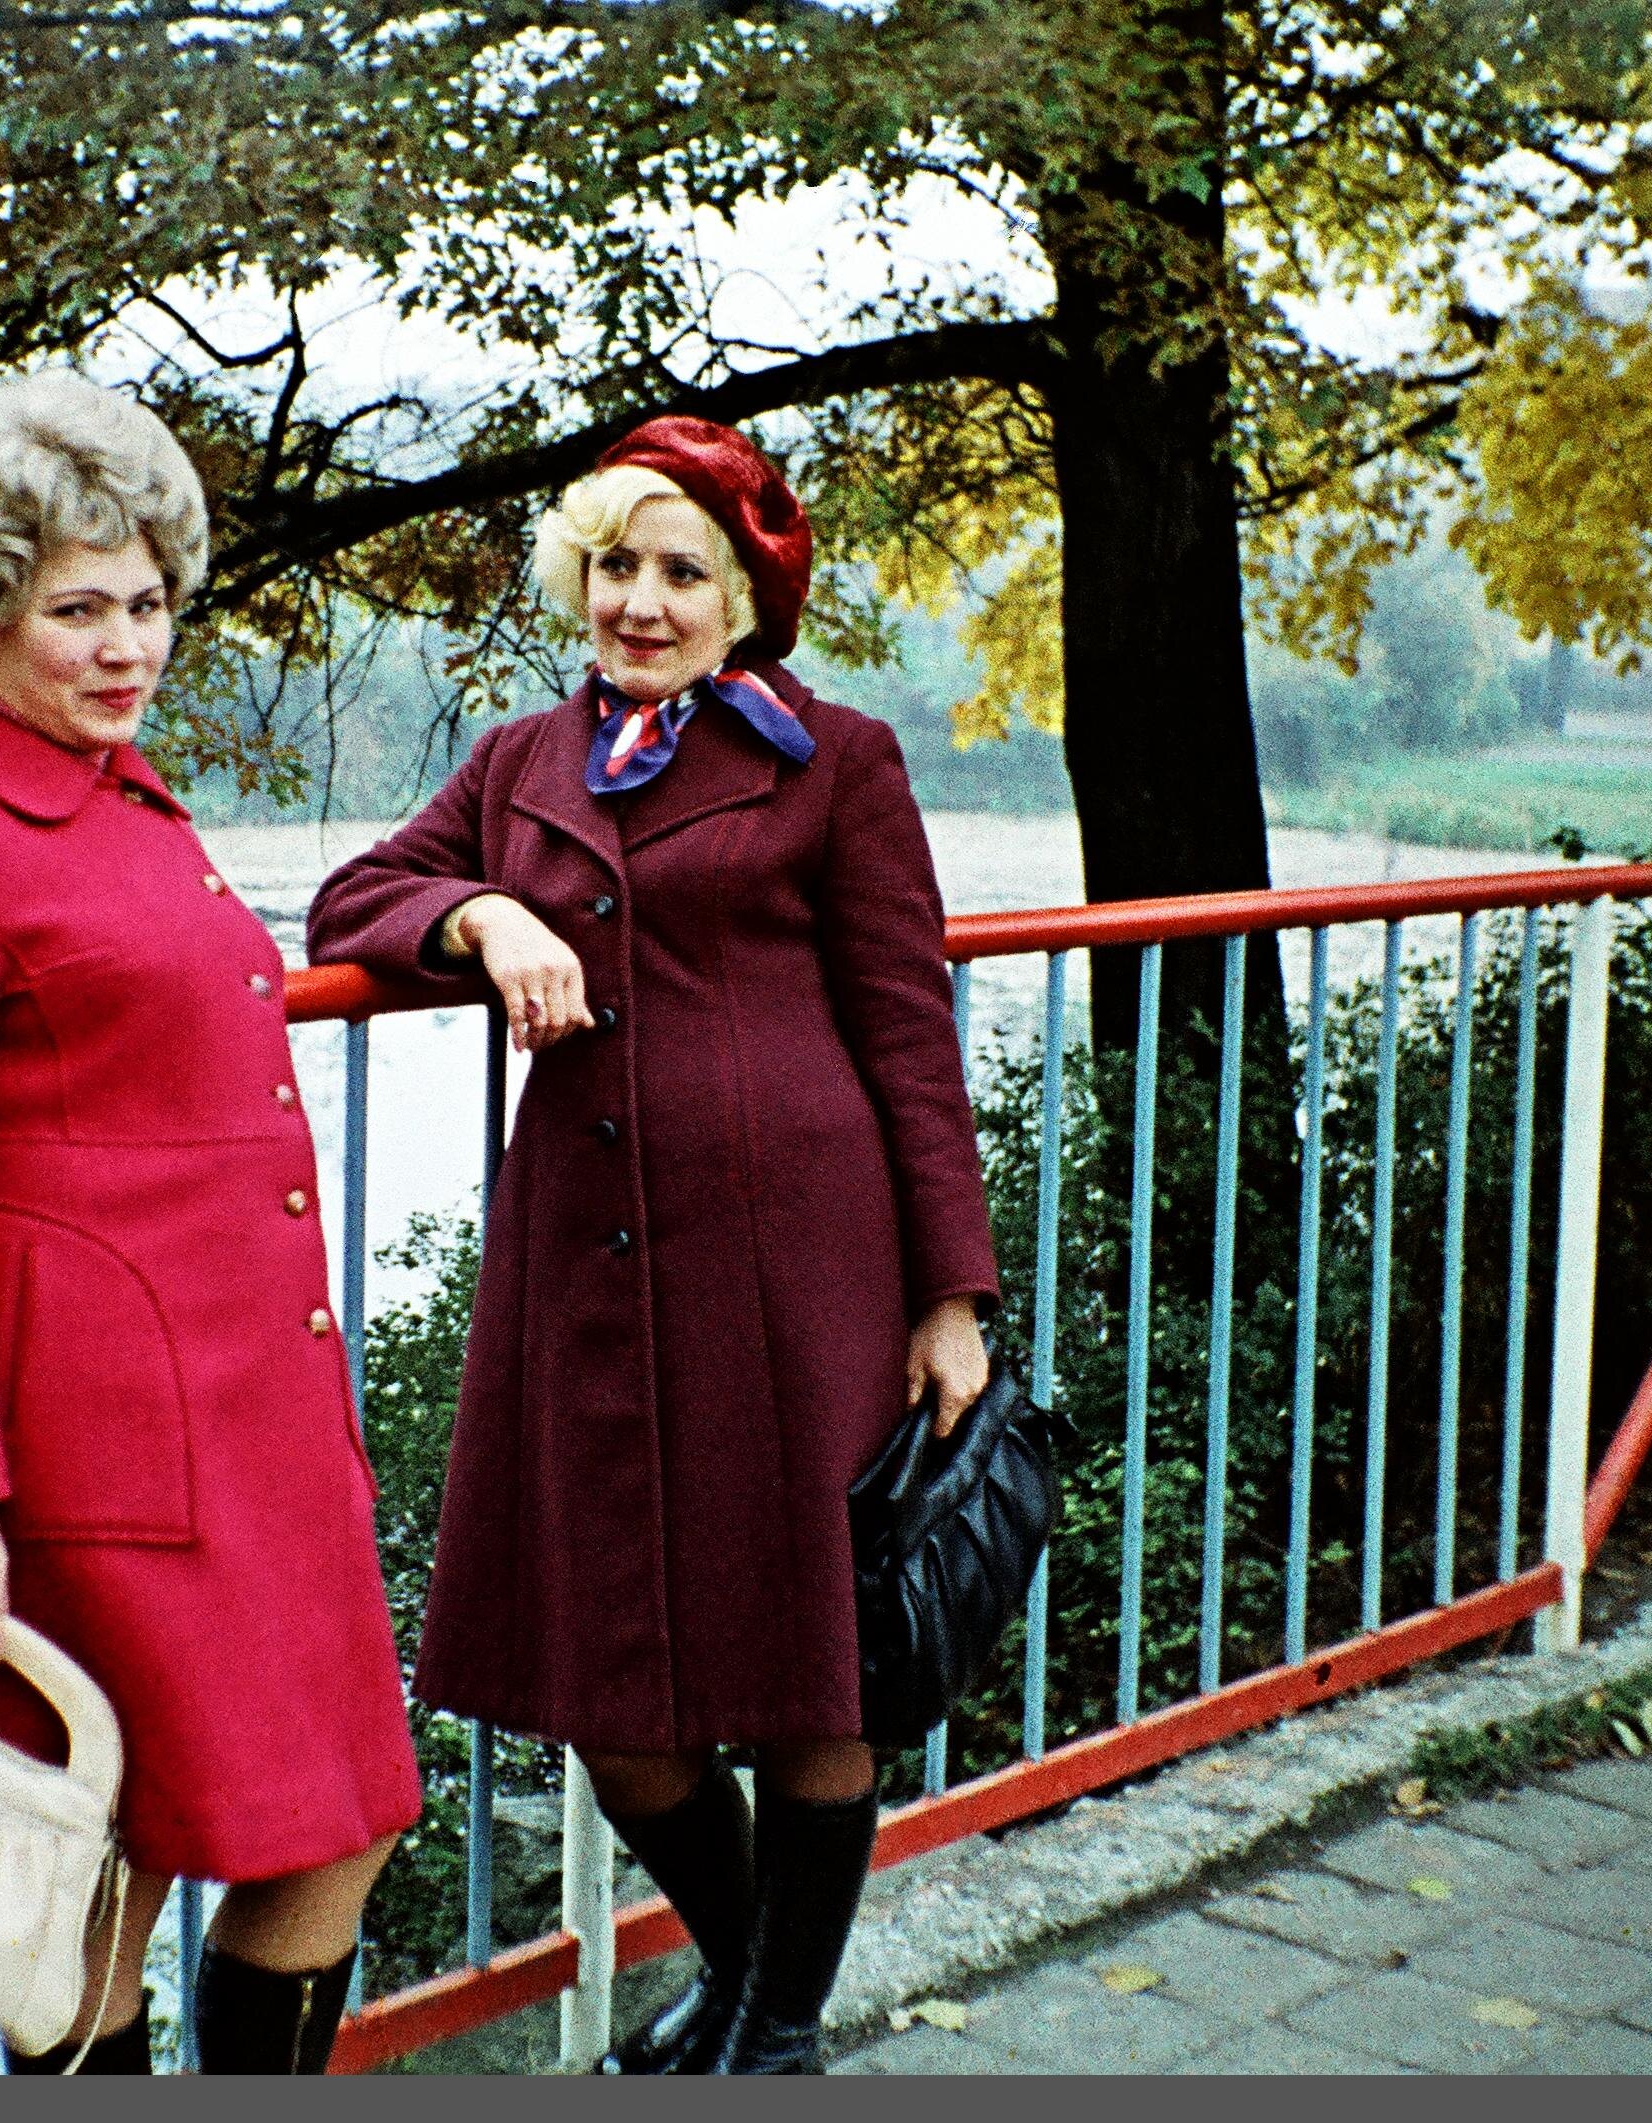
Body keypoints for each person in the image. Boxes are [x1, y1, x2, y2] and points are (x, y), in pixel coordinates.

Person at [307, 416, 1001, 2075]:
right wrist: (482, 912)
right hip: (589, 1275)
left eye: (682, 571)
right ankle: (753, 1980)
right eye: (614, 565)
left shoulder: (836, 761)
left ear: (741, 600)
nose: (641, 601)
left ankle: (770, 2033)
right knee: (614, 1701)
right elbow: (350, 905)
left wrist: (951, 1295)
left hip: (800, 1267)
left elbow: (907, 1032)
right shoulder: (519, 764)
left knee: (810, 1670)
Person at [0, 371, 420, 2074]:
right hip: (97, 1455)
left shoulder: (121, 797)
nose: (126, 643)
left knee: (338, 1819)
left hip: (250, 1423)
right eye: (77, 610)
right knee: (98, 1879)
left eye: (146, 603)